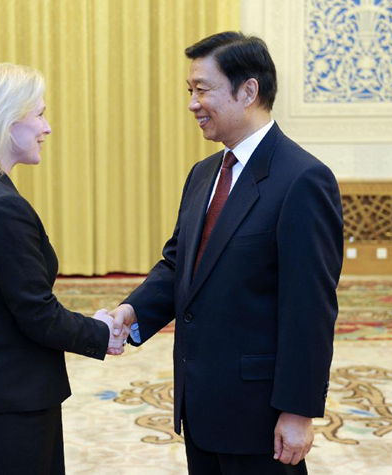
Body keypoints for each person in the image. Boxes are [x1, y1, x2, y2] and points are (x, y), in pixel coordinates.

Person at [110, 32, 343, 474]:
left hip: (261, 414)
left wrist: (298, 411)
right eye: (189, 91)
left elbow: (310, 309)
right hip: (201, 404)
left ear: (248, 90)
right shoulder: (204, 174)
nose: (192, 103)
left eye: (202, 89)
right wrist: (132, 312)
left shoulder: (303, 179)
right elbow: (180, 265)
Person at [0, 63, 125, 475]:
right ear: (5, 120)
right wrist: (101, 332)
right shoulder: (1, 206)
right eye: (38, 114)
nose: (46, 127)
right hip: (5, 406)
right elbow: (36, 314)